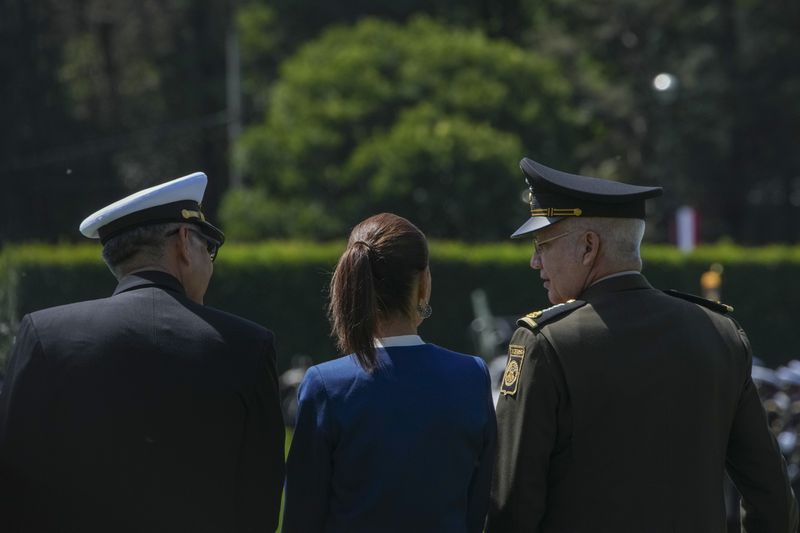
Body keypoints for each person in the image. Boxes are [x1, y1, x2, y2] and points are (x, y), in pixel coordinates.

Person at [487, 158, 798, 533]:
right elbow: (772, 497)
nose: (535, 261)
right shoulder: (720, 333)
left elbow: (513, 508)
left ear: (588, 247)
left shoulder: (547, 342)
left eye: (543, 244)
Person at [0, 173, 285, 533]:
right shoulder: (248, 346)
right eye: (207, 248)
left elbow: (12, 488)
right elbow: (259, 506)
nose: (210, 262)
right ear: (183, 241)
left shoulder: (45, 335)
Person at [282, 213, 497, 533]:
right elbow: (478, 505)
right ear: (423, 282)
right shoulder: (471, 376)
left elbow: (302, 517)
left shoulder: (325, 385)